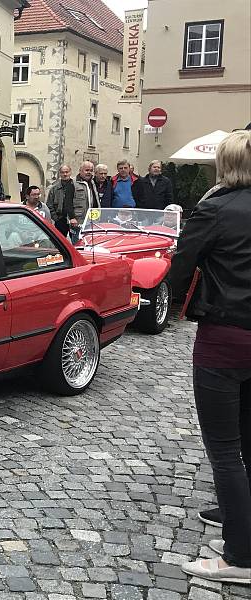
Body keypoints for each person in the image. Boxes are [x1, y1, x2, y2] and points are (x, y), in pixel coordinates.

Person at [171, 129, 251, 585]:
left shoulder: (216, 208)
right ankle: (241, 519)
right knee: (248, 441)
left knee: (224, 450)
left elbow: (183, 263)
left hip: (225, 334)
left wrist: (172, 296)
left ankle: (240, 556)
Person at [46, 165, 89, 243]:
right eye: (62, 172)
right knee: (59, 242)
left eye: (67, 172)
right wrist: (56, 218)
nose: (65, 174)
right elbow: (49, 205)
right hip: (60, 219)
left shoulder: (77, 186)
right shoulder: (54, 189)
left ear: (70, 172)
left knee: (76, 242)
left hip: (75, 220)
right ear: (59, 174)